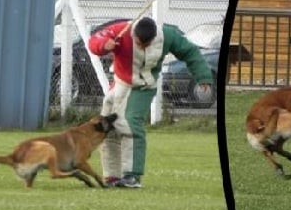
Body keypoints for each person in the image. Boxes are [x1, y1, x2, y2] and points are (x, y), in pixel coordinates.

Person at [88, 16, 214, 188]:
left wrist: (203, 76)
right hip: (119, 84)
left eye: (145, 44)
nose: (141, 46)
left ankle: (132, 176)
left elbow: (190, 52)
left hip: (143, 88)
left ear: (154, 37)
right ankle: (112, 176)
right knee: (106, 128)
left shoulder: (168, 36)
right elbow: (94, 41)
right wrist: (104, 45)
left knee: (129, 123)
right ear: (134, 35)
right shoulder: (121, 30)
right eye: (138, 43)